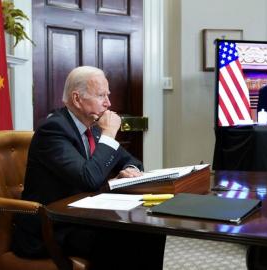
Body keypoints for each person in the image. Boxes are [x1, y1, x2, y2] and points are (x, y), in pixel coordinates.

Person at [11, 66, 166, 269]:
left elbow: (133, 161)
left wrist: (129, 170)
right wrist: (110, 133)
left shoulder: (93, 128)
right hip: (52, 227)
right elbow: (88, 179)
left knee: (151, 231)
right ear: (77, 99)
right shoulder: (53, 130)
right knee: (124, 242)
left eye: (107, 95)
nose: (108, 103)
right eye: (101, 95)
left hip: (84, 218)